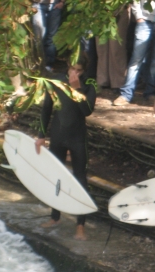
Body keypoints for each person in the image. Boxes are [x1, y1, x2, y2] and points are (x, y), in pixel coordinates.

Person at [36, 59, 97, 240]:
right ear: (67, 68)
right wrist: (41, 135)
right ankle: (55, 217)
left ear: (84, 71)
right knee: (56, 175)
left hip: (78, 137)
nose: (74, 74)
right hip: (58, 135)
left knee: (80, 179)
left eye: (79, 71)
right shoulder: (56, 81)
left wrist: (77, 88)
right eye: (72, 69)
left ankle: (80, 225)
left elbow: (87, 111)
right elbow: (46, 109)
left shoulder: (89, 84)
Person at [31, 0, 65, 70]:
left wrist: (62, 2)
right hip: (38, 5)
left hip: (55, 5)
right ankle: (38, 65)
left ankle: (48, 65)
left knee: (52, 37)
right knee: (39, 37)